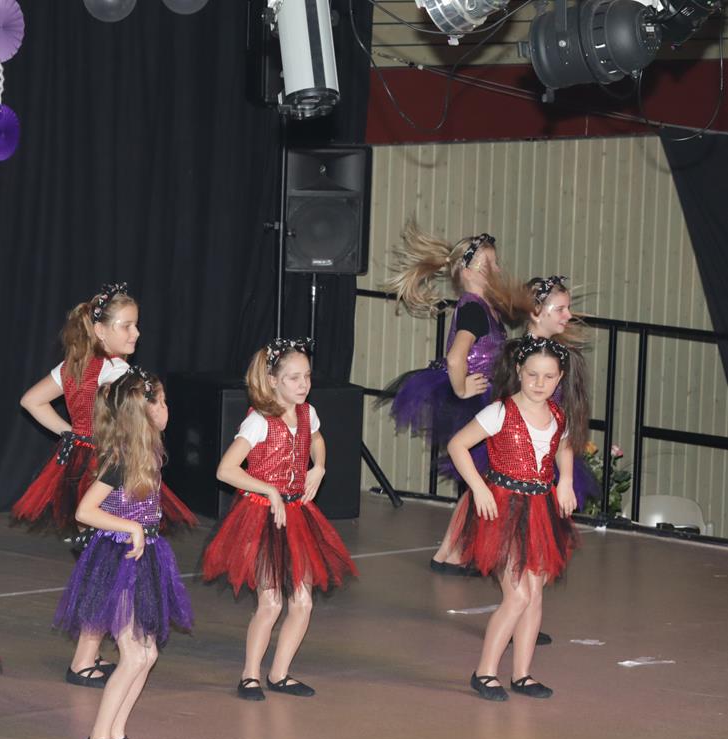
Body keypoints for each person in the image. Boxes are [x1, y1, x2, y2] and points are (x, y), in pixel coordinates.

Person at [15, 284, 194, 689]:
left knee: (99, 560)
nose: (136, 334)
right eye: (126, 326)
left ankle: (86, 656)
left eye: (136, 325)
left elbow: (31, 400)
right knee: (109, 564)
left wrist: (72, 433)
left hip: (79, 466)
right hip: (109, 470)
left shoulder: (73, 367)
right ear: (100, 330)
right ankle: (83, 660)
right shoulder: (120, 375)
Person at [203, 339, 356, 701]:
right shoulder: (259, 421)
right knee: (270, 602)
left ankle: (280, 673)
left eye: (307, 376)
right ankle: (250, 675)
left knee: (303, 602)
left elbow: (317, 440)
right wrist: (269, 490)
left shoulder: (307, 412)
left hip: (296, 514)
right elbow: (226, 470)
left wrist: (319, 466)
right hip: (260, 515)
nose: (303, 384)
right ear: (273, 381)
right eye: (293, 378)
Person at [56, 369, 191, 739]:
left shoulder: (149, 453)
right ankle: (99, 737)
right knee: (134, 655)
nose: (166, 408)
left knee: (147, 655)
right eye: (161, 402)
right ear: (143, 412)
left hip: (143, 553)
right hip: (118, 559)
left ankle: (117, 733)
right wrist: (130, 526)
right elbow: (85, 511)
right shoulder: (120, 461)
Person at [449, 337, 579, 702]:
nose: (540, 383)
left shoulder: (557, 415)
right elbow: (458, 445)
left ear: (560, 378)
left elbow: (564, 445)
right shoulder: (500, 412)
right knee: (518, 595)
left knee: (534, 595)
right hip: (503, 509)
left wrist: (566, 481)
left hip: (539, 507)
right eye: (532, 374)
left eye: (549, 377)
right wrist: (478, 488)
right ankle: (484, 672)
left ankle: (522, 674)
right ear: (519, 371)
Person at [382, 225, 515, 576]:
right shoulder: (473, 308)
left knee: (478, 481)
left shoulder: (484, 307)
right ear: (467, 272)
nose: (497, 269)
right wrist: (460, 389)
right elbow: (457, 358)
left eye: (496, 263)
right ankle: (454, 553)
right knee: (480, 480)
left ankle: (449, 552)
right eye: (490, 264)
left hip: (483, 397)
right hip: (473, 400)